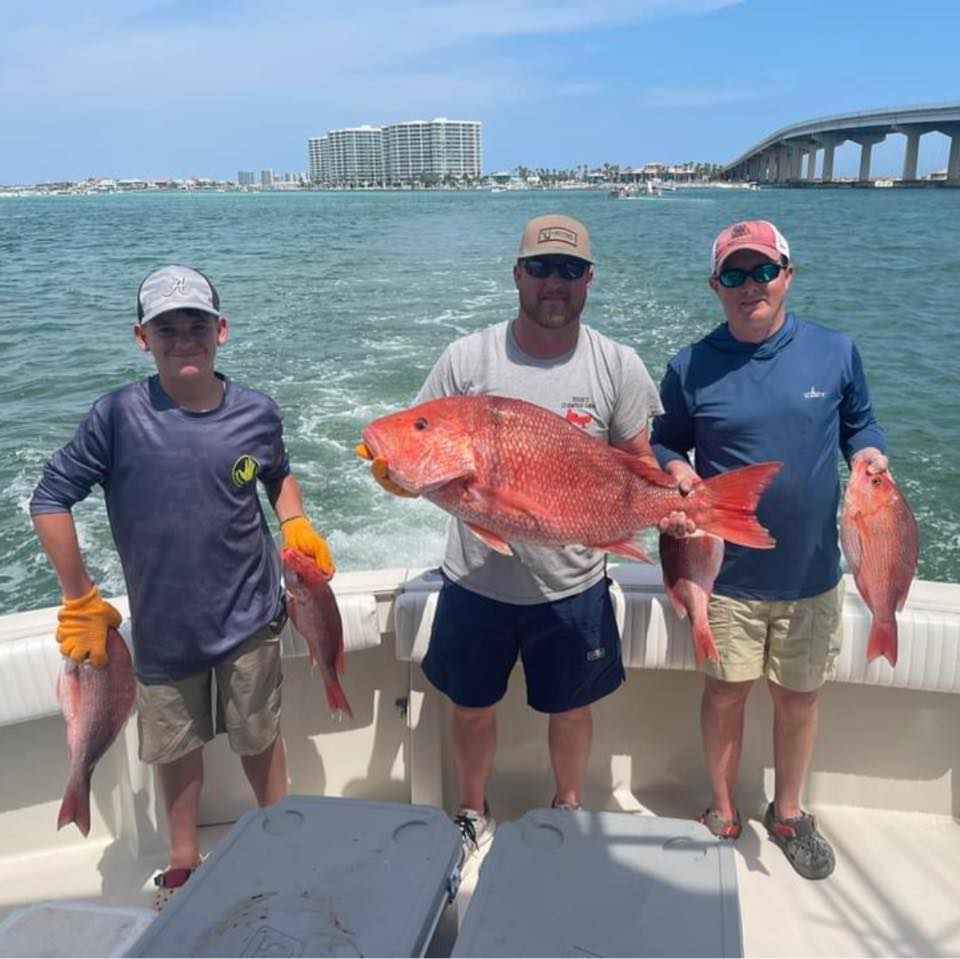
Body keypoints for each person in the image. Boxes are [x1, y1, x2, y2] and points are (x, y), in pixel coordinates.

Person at [30, 265, 334, 906]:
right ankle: (183, 860)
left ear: (221, 331)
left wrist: (295, 520)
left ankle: (275, 832)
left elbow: (276, 475)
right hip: (164, 627)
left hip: (252, 616)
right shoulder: (115, 417)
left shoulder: (256, 411)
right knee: (176, 747)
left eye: (197, 323)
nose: (184, 337)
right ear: (143, 338)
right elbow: (50, 498)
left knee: (259, 735)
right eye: (168, 327)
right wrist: (79, 595)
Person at [370, 214, 668, 860]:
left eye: (568, 270)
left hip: (576, 585)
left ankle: (567, 804)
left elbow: (641, 466)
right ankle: (471, 809)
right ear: (517, 275)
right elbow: (415, 435)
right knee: (472, 706)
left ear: (589, 279)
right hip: (476, 583)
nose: (552, 283)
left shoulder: (617, 364)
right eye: (540, 268)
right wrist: (402, 470)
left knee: (571, 708)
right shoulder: (467, 358)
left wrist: (678, 501)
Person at [651, 220, 888, 880]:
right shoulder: (690, 366)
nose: (749, 285)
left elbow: (860, 422)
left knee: (798, 698)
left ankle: (787, 812)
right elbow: (663, 440)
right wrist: (674, 469)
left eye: (762, 270)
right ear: (715, 286)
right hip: (726, 575)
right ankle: (723, 809)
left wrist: (868, 450)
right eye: (734, 274)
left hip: (813, 572)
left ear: (788, 273)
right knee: (726, 693)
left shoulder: (835, 351)